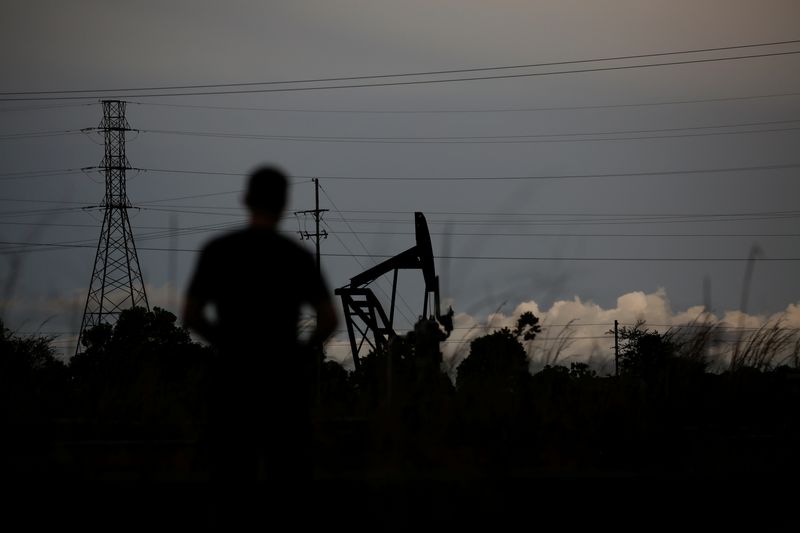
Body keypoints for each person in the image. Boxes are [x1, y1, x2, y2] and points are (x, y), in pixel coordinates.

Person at [183, 165, 338, 489]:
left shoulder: (219, 250)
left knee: (232, 474)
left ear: (246, 199)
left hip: (232, 381)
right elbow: (329, 319)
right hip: (283, 384)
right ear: (284, 204)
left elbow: (192, 314)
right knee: (287, 474)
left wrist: (225, 343)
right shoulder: (297, 256)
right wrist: (299, 353)